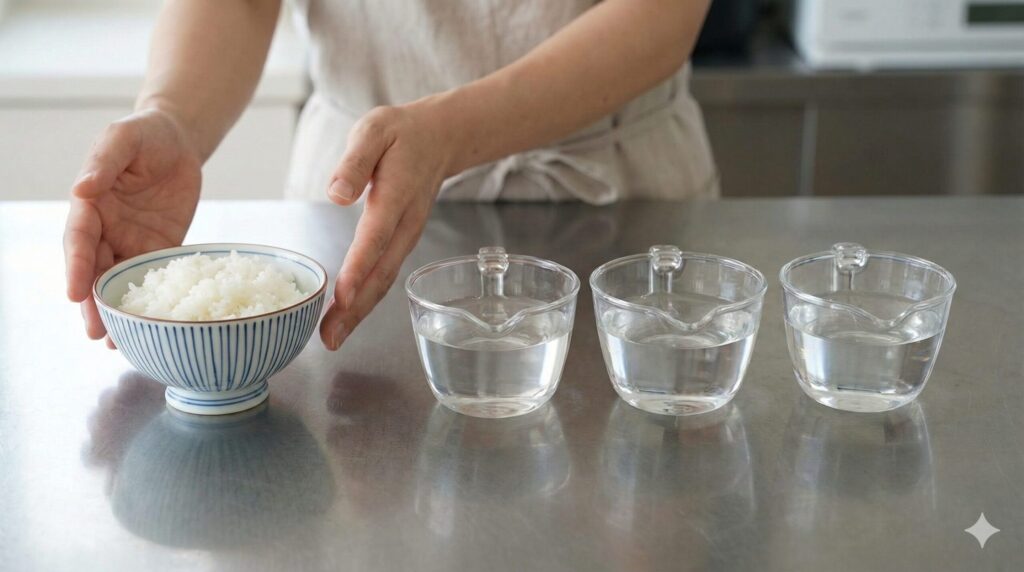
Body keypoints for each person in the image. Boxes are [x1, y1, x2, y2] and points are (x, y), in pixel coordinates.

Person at [63, 0, 717, 351]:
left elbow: (665, 12)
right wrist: (174, 116)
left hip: (619, 195)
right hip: (355, 203)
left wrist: (453, 131)